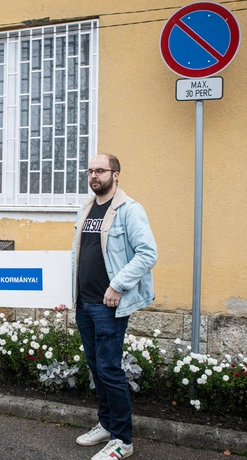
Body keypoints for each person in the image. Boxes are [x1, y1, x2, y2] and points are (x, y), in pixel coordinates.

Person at [64, 153, 157, 460]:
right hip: (84, 303)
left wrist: (117, 285)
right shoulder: (87, 208)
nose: (94, 176)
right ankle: (106, 424)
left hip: (108, 305)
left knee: (109, 370)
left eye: (100, 171)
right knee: (97, 368)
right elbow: (79, 255)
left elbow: (147, 254)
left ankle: (122, 439)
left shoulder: (129, 210)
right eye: (90, 171)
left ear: (115, 175)